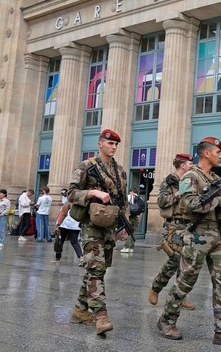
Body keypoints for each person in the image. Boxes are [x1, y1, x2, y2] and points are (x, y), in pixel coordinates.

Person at [156, 137, 221, 347]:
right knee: (186, 280)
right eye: (217, 152)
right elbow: (189, 203)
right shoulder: (191, 176)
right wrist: (220, 200)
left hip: (219, 236)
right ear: (206, 153)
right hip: (198, 235)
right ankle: (166, 320)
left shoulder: (214, 178)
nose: (220, 155)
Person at [68, 129, 129, 335]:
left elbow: (123, 202)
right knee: (95, 267)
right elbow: (71, 193)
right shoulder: (86, 166)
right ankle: (100, 316)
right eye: (109, 143)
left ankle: (80, 310)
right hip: (91, 225)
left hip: (110, 225)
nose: (113, 147)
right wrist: (93, 192)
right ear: (100, 144)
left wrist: (125, 226)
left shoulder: (120, 171)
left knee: (98, 269)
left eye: (115, 145)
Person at [149, 152, 195, 310]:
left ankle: (179, 297)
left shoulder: (190, 181)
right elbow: (161, 201)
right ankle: (156, 287)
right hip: (174, 227)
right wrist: (178, 193)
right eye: (190, 163)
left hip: (189, 226)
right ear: (182, 165)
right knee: (174, 260)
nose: (192, 165)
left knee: (186, 264)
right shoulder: (169, 181)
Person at [121, 188, 143, 253]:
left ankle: (126, 247)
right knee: (134, 232)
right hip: (136, 217)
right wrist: (139, 219)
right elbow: (141, 210)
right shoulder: (140, 198)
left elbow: (124, 208)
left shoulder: (128, 197)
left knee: (128, 231)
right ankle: (132, 247)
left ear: (131, 191)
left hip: (129, 216)